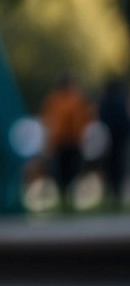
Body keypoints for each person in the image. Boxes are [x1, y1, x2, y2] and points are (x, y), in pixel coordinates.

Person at [40, 74, 93, 211]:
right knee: (62, 171)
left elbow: (85, 119)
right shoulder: (58, 100)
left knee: (72, 169)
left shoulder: (75, 99)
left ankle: (68, 196)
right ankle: (64, 197)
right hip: (62, 141)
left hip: (72, 141)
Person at [98, 78, 129, 208]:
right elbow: (125, 120)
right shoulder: (121, 101)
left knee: (109, 166)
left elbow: (101, 118)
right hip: (120, 138)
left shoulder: (104, 101)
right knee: (119, 165)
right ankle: (117, 193)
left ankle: (110, 192)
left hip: (107, 138)